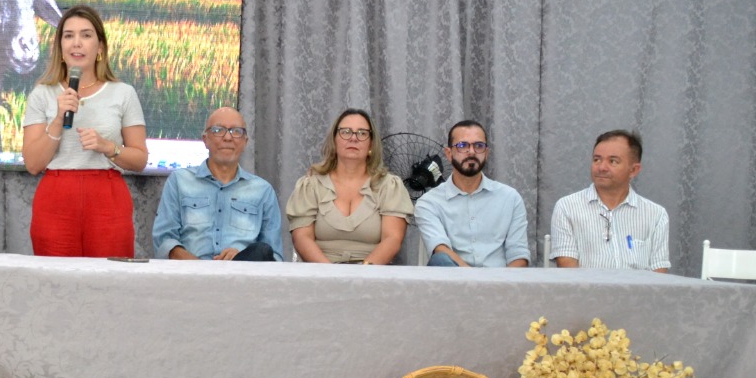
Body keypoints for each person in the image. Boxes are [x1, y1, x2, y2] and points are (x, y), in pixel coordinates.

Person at [20, 5, 148, 257]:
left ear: (100, 46)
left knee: (109, 282)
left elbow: (140, 159)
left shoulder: (123, 93)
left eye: (86, 35)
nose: (76, 43)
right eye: (68, 36)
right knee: (56, 285)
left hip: (107, 198)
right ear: (60, 48)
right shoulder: (42, 94)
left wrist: (108, 147)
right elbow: (33, 164)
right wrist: (57, 120)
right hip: (56, 199)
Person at [151, 107, 282, 261]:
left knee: (262, 251)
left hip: (243, 278)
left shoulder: (263, 191)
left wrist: (241, 258)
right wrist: (197, 266)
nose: (228, 137)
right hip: (191, 275)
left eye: (236, 131)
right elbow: (164, 239)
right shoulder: (179, 181)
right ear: (205, 139)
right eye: (218, 130)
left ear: (245, 142)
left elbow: (275, 257)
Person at [285, 108, 411, 264]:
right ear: (334, 140)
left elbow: (392, 240)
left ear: (371, 143)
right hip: (321, 275)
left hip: (372, 275)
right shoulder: (311, 185)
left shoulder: (389, 187)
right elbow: (302, 238)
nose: (353, 138)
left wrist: (361, 275)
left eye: (362, 133)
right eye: (346, 132)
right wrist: (332, 276)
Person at [412, 120, 530, 268]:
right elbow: (441, 249)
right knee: (440, 260)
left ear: (486, 153)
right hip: (453, 284)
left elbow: (518, 254)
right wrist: (476, 284)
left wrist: (501, 288)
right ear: (449, 154)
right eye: (463, 146)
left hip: (502, 284)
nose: (472, 152)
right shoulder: (429, 202)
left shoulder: (510, 198)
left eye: (479, 146)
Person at [549, 130, 670, 273]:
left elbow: (659, 275)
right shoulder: (567, 207)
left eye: (612, 161)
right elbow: (568, 272)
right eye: (597, 160)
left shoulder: (656, 215)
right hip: (585, 293)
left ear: (634, 170)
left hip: (639, 294)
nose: (602, 168)